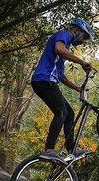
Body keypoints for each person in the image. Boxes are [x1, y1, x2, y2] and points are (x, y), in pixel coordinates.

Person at [31, 19, 93, 159]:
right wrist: (82, 62)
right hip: (44, 80)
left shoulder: (64, 49)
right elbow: (59, 49)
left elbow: (61, 77)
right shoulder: (63, 35)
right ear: (77, 30)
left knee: (69, 113)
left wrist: (77, 88)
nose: (83, 41)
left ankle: (71, 150)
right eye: (84, 37)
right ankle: (48, 150)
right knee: (61, 111)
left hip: (48, 81)